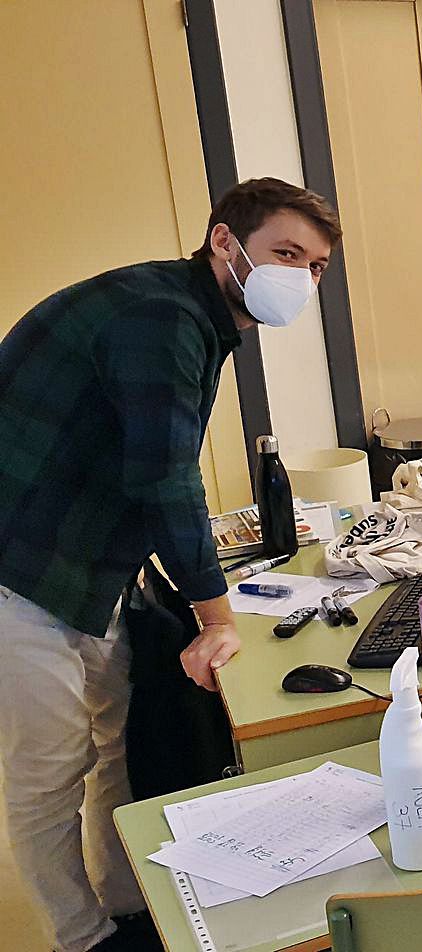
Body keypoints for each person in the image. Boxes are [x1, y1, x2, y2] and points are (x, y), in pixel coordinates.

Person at [0, 177, 341, 952]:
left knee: (122, 743)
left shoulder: (194, 314)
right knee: (49, 773)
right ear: (225, 241)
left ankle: (132, 904)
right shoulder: (163, 318)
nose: (302, 278)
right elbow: (163, 475)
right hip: (19, 569)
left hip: (90, 565)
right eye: (286, 253)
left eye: (316, 266)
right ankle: (84, 939)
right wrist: (215, 616)